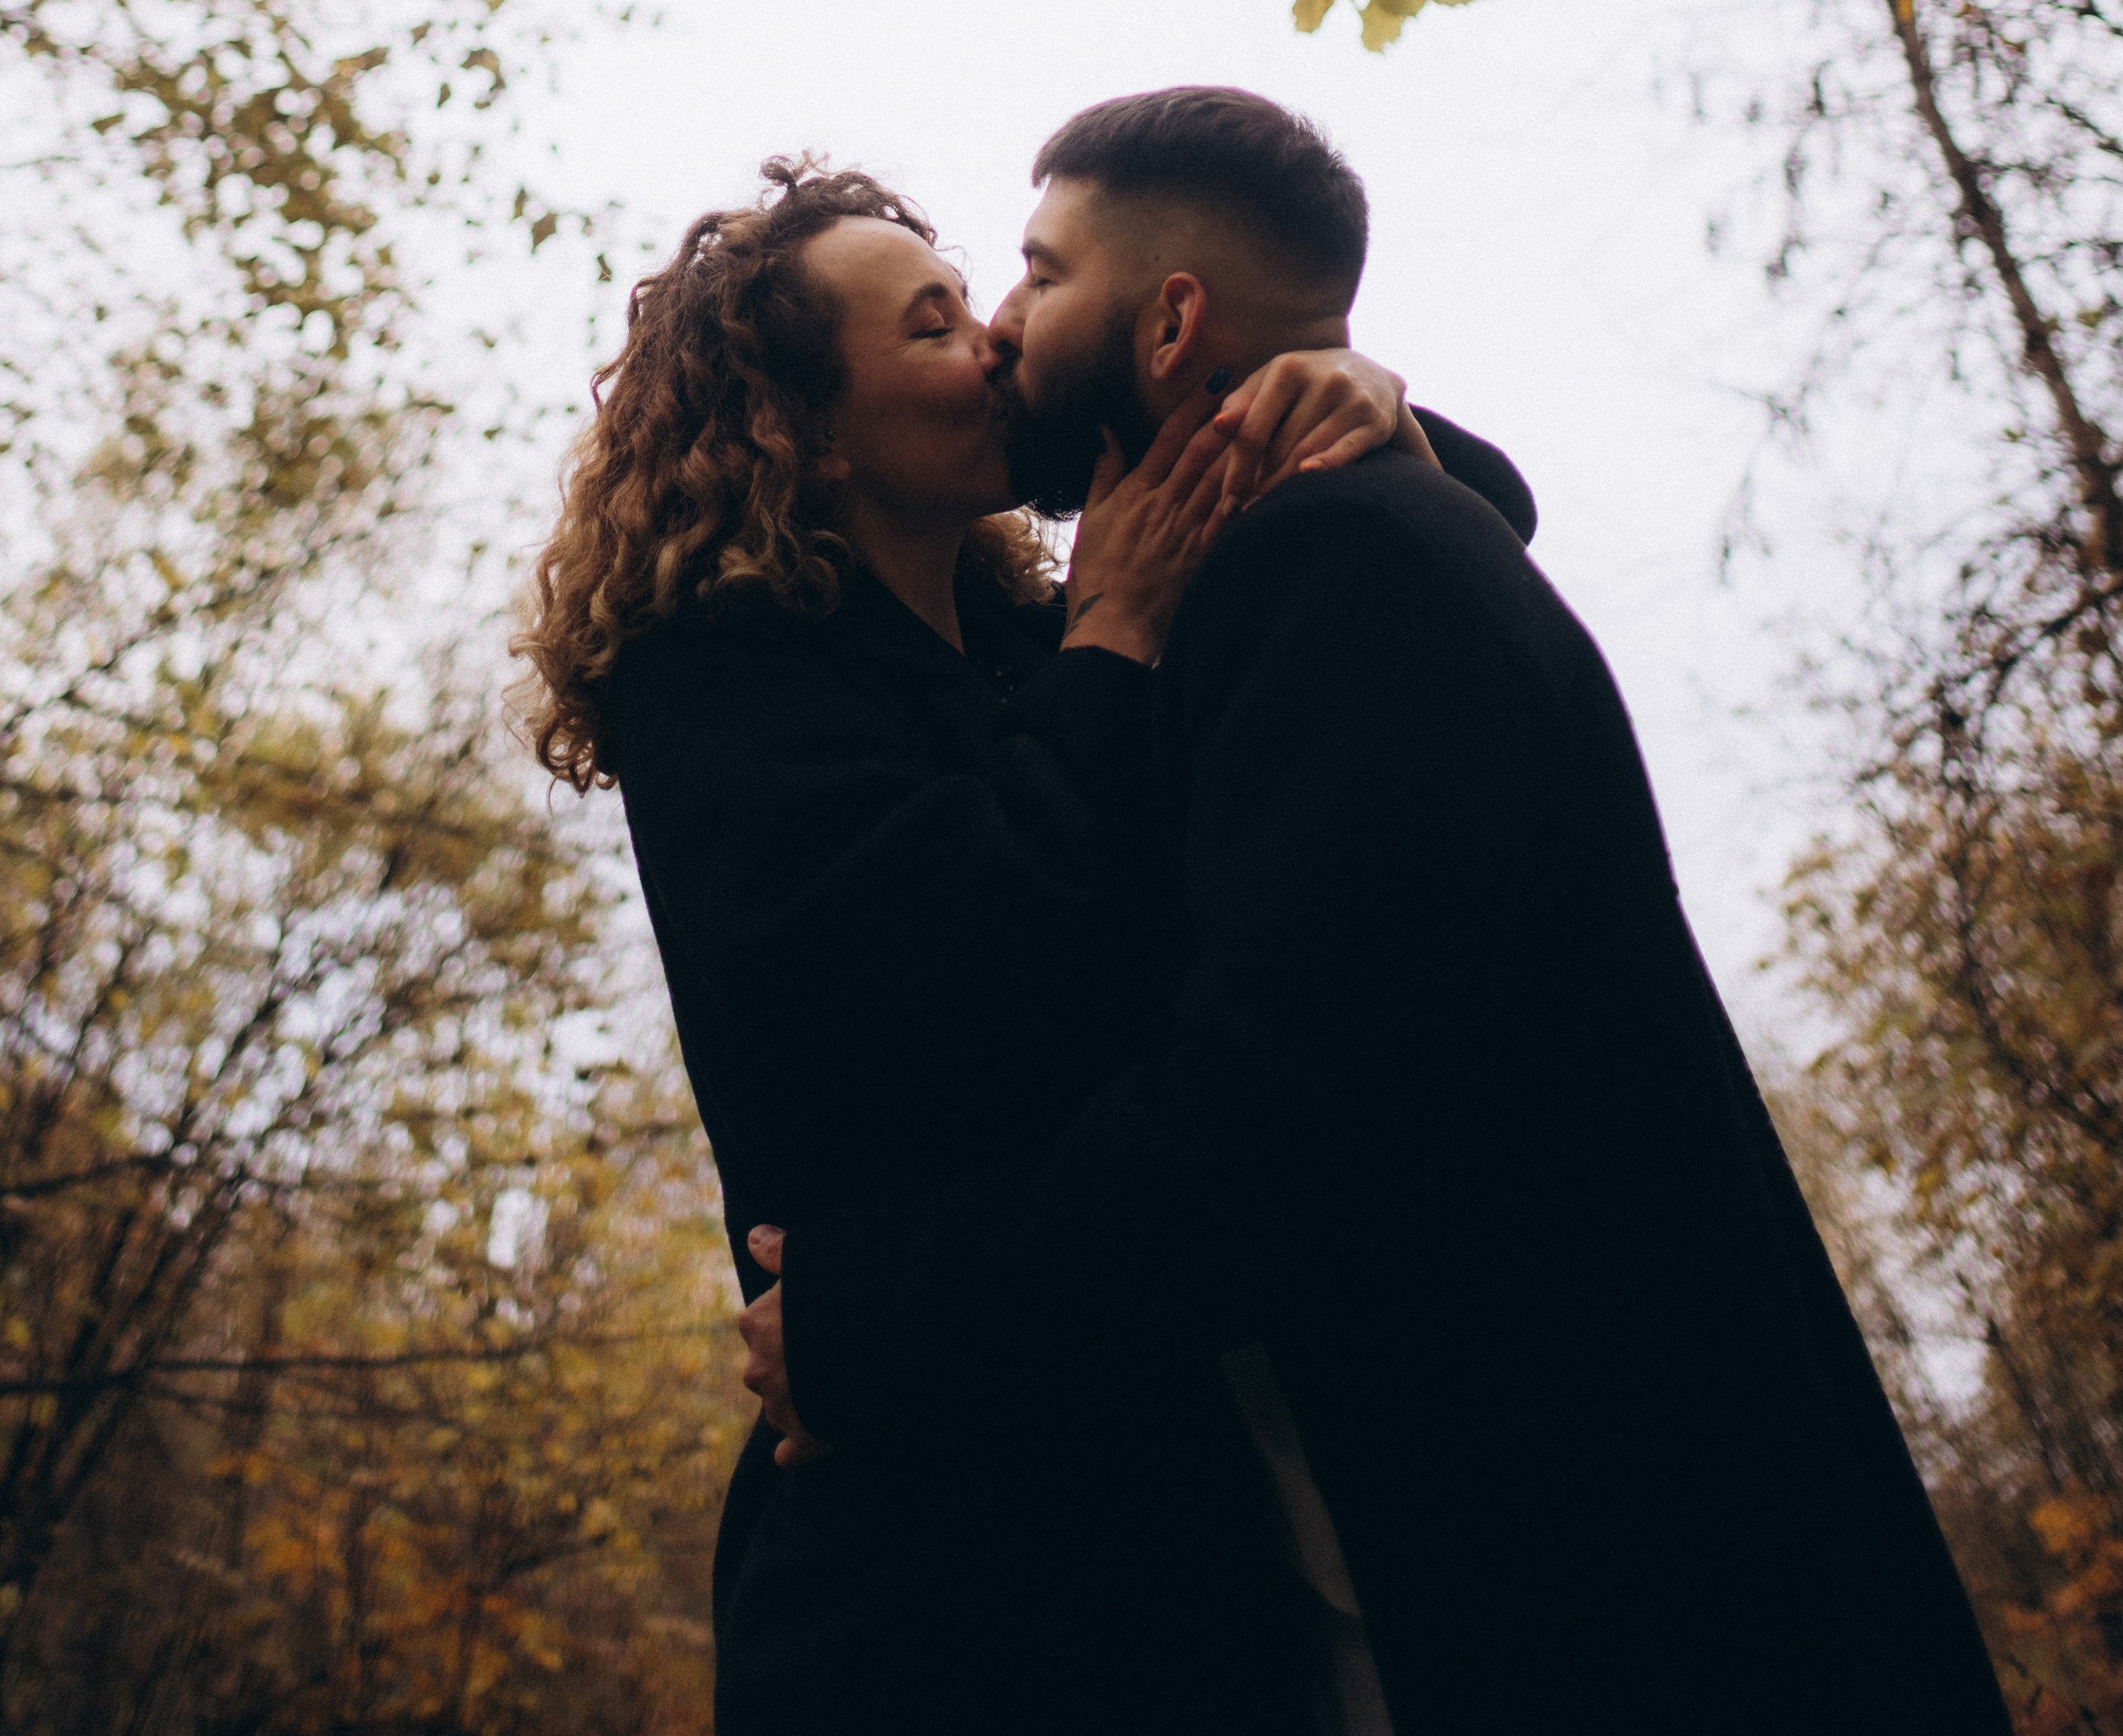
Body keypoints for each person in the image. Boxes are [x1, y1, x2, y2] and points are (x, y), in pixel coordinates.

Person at [743, 85, 2013, 1736]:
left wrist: (869, 1329)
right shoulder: (1343, 547)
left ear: (1172, 315)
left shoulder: (1338, 569)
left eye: (1042, 276)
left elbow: (1288, 1126)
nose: (1000, 322)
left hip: (1631, 1589)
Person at [519, 157, 1533, 1736]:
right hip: (926, 1565)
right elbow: (955, 970)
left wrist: (1352, 402)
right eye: (931, 325)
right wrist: (1116, 639)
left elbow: (1397, 573)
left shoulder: (1028, 645)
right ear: (806, 426)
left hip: (1170, 1503)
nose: (995, 339)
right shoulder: (720, 683)